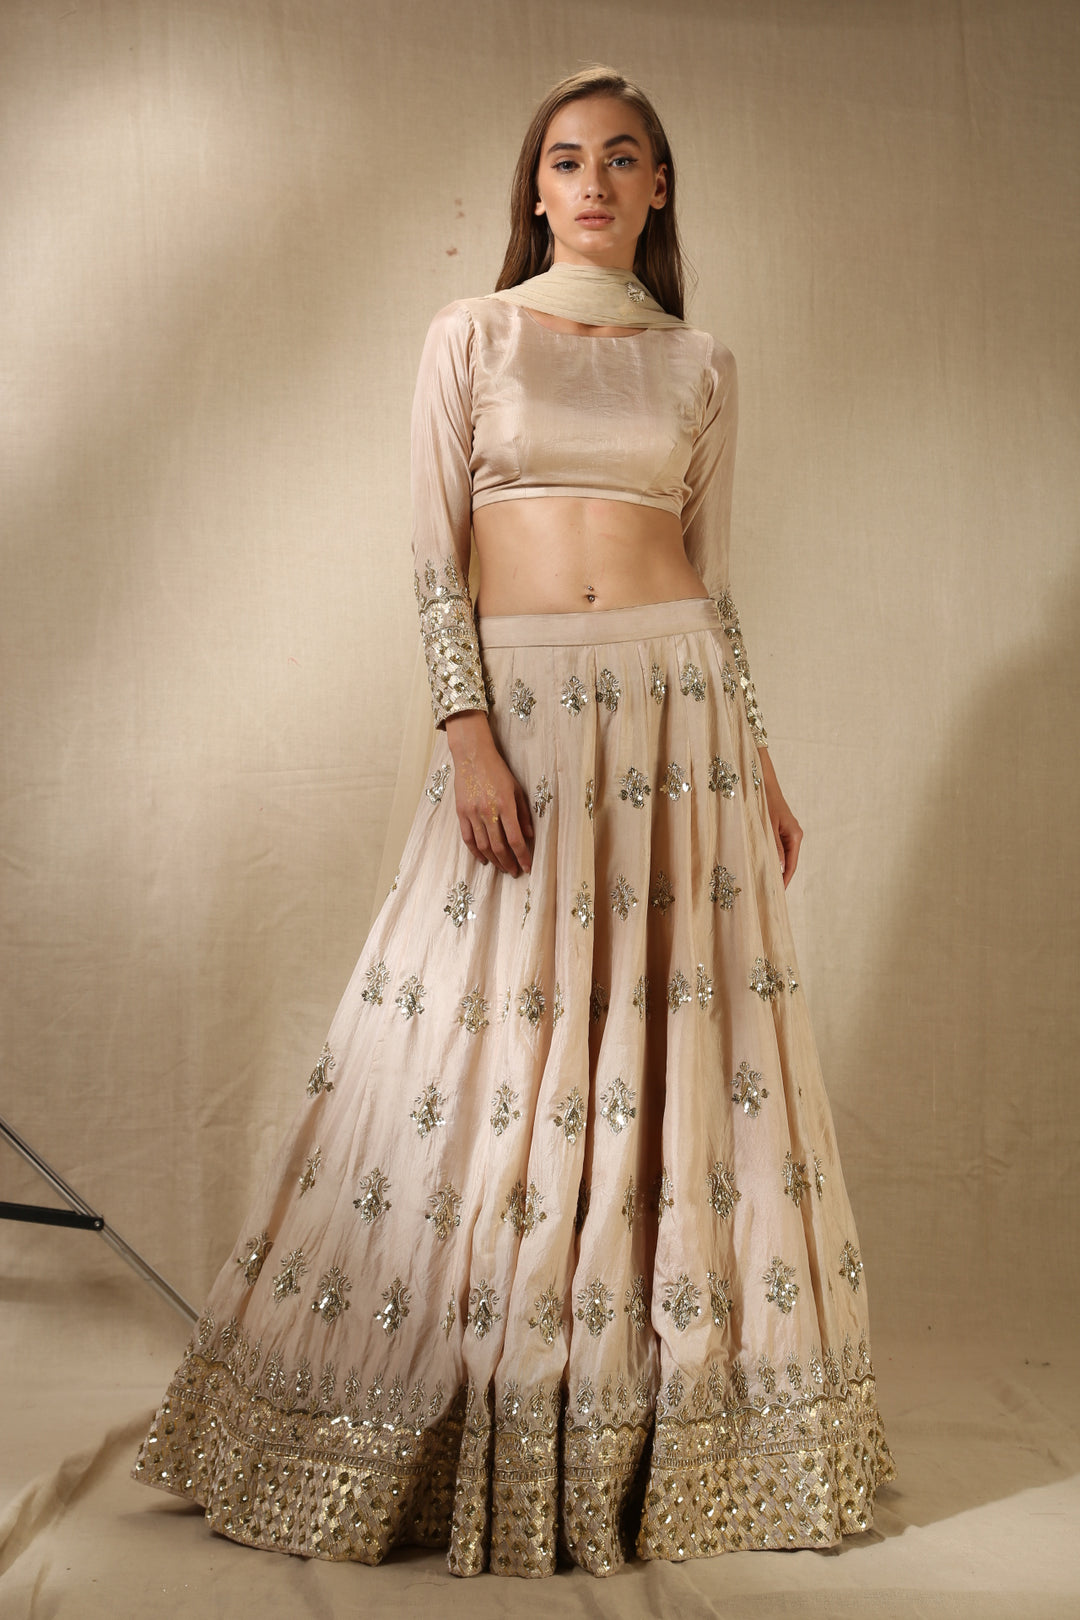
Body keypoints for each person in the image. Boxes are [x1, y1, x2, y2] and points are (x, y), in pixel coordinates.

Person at [131, 65, 896, 1579]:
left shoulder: (700, 362)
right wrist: (466, 730)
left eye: (622, 158)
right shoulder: (471, 337)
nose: (594, 181)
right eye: (566, 159)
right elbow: (436, 561)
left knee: (670, 1061)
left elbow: (715, 579)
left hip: (676, 721)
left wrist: (757, 755)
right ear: (534, 191)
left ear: (657, 189)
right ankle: (436, 1406)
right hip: (527, 715)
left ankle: (656, 1427)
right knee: (475, 1042)